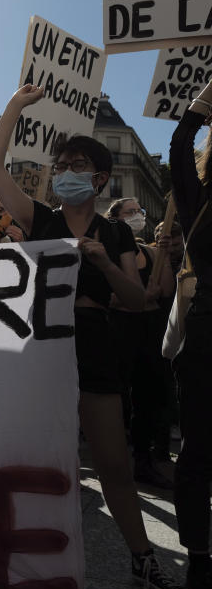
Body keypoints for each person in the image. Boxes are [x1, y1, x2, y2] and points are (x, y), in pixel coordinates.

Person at [0, 85, 192, 589]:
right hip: (38, 346)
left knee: (113, 463)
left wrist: (99, 261)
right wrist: (13, 107)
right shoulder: (38, 220)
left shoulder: (116, 234)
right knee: (27, 457)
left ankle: (144, 560)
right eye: (60, 164)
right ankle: (7, 561)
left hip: (93, 345)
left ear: (99, 178)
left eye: (76, 165)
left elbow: (138, 298)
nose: (64, 172)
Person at [168, 78, 212, 589]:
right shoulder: (199, 196)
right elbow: (181, 146)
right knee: (199, 454)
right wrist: (204, 101)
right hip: (207, 336)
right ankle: (201, 567)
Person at [105, 198, 175, 490]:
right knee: (120, 395)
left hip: (152, 328)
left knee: (150, 396)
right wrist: (140, 297)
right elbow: (107, 297)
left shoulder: (151, 251)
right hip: (122, 328)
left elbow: (166, 291)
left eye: (139, 211)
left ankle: (144, 459)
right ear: (116, 219)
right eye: (130, 212)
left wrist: (166, 257)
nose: (137, 215)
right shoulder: (108, 255)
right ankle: (118, 458)